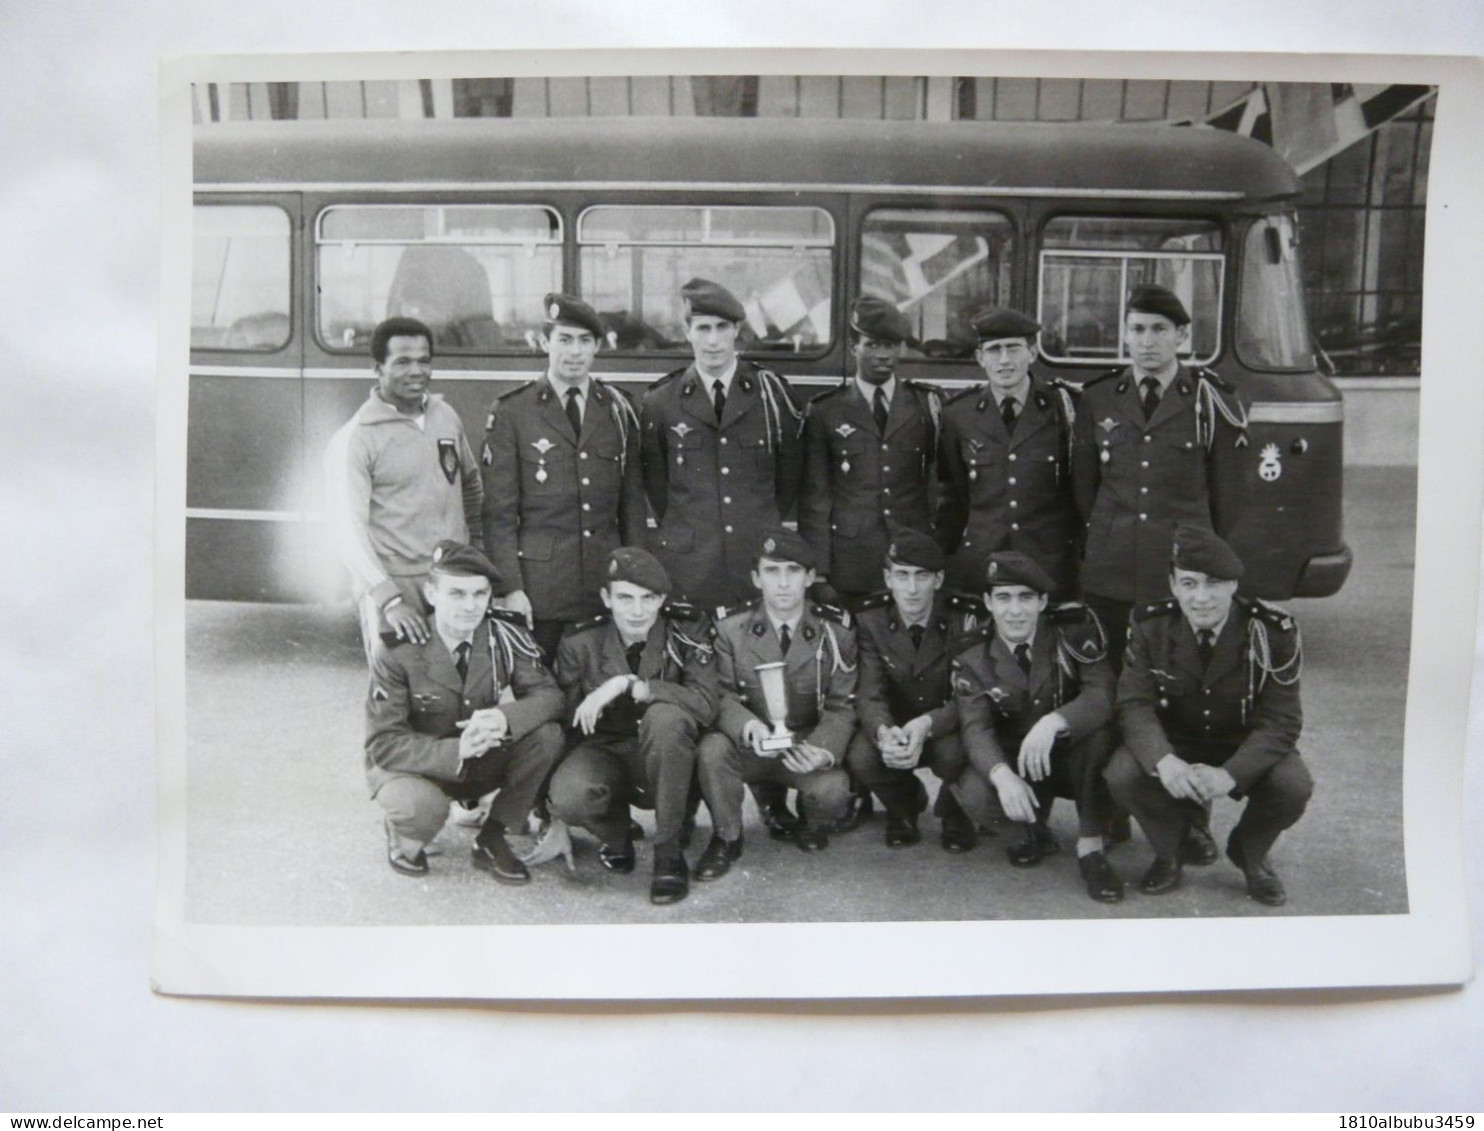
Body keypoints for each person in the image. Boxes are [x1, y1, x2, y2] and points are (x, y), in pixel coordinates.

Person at [1104, 526, 1311, 906]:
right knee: (1123, 773)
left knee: (1292, 785)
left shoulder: (1271, 631)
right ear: (1173, 585)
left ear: (1234, 584)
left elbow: (1282, 722)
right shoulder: (1151, 626)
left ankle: (1249, 854)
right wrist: (1164, 761)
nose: (1201, 598)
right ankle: (1171, 850)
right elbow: (1134, 704)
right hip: (1177, 741)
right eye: (1189, 583)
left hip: (1240, 742)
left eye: (1213, 583)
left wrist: (1230, 774)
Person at [1070, 284, 1250, 668]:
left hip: (1178, 569)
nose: (1147, 341)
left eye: (1159, 329)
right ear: (1124, 334)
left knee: (1173, 672)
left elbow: (1229, 498)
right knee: (1106, 670)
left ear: (1181, 336)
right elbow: (1084, 486)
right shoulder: (1098, 397)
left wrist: (1201, 560)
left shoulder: (1210, 401)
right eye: (1137, 330)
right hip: (1111, 570)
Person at [364, 541, 565, 884]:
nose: (470, 606)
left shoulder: (503, 636)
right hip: (418, 767)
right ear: (431, 594)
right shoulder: (398, 650)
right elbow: (383, 744)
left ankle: (492, 836)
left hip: (480, 759)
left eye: (479, 594)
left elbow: (551, 697)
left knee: (547, 737)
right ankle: (403, 831)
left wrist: (505, 718)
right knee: (420, 811)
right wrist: (457, 750)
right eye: (456, 594)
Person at [546, 548, 719, 906]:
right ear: (606, 598)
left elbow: (705, 704)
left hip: (670, 755)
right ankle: (616, 833)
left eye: (648, 599)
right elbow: (563, 722)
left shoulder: (685, 632)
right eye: (625, 598)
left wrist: (631, 685)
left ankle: (668, 852)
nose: (638, 611)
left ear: (662, 600)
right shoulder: (580, 642)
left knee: (666, 716)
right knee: (570, 794)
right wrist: (553, 815)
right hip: (607, 751)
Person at [951, 552, 1124, 903]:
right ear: (988, 602)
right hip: (1022, 762)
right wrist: (1003, 776)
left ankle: (1091, 846)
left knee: (1101, 737)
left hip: (1072, 757)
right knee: (975, 789)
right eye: (1003, 598)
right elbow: (975, 728)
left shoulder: (1073, 631)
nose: (1015, 610)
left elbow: (1101, 694)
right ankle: (1031, 830)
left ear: (1043, 601)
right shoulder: (972, 652)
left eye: (1025, 597)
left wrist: (1054, 721)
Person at [481, 293, 646, 660]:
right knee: (546, 697)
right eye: (564, 340)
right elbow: (499, 515)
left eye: (585, 341)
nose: (574, 352)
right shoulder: (513, 412)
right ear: (544, 343)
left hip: (604, 587)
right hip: (542, 593)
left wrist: (634, 582)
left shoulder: (619, 410)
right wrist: (511, 588)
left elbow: (632, 508)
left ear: (598, 347)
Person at [694, 529, 857, 878]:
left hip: (804, 743)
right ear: (756, 578)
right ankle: (727, 837)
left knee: (831, 793)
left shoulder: (836, 631)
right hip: (751, 745)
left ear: (810, 577)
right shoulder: (730, 629)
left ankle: (808, 818)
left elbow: (842, 705)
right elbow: (719, 694)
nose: (783, 583)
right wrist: (747, 726)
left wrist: (823, 750)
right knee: (711, 750)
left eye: (793, 571)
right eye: (772, 571)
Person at [640, 278, 805, 616]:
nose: (712, 341)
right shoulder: (660, 401)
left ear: (737, 330)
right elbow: (658, 489)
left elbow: (789, 479)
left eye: (721, 328)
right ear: (687, 331)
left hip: (755, 561)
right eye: (702, 328)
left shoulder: (770, 395)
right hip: (691, 565)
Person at [324, 317, 484, 660]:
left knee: (460, 689)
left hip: (453, 580)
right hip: (398, 587)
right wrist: (389, 598)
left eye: (424, 361)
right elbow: (346, 531)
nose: (416, 371)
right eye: (402, 362)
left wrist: (477, 555)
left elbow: (470, 486)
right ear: (377, 368)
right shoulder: (355, 438)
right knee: (398, 700)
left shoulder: (445, 415)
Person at [797, 296, 941, 608]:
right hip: (852, 561)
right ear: (854, 348)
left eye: (891, 346)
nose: (884, 356)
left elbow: (939, 486)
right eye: (873, 345)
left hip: (911, 561)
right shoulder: (827, 411)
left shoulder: (925, 406)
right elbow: (816, 498)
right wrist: (819, 573)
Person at [846, 530, 984, 851]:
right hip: (896, 722)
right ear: (888, 578)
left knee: (957, 752)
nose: (911, 589)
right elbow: (869, 693)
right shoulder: (871, 619)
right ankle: (904, 805)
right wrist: (884, 732)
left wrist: (928, 724)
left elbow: (970, 695)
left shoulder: (965, 617)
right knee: (862, 757)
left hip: (944, 723)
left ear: (938, 581)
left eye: (922, 577)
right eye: (902, 576)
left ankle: (954, 811)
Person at [935, 307, 1080, 604]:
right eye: (994, 350)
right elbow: (955, 494)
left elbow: (1079, 493)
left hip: (1048, 564)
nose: (1004, 360)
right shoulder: (957, 415)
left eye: (1013, 349)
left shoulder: (1064, 409)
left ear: (1032, 353)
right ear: (980, 358)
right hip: (983, 564)